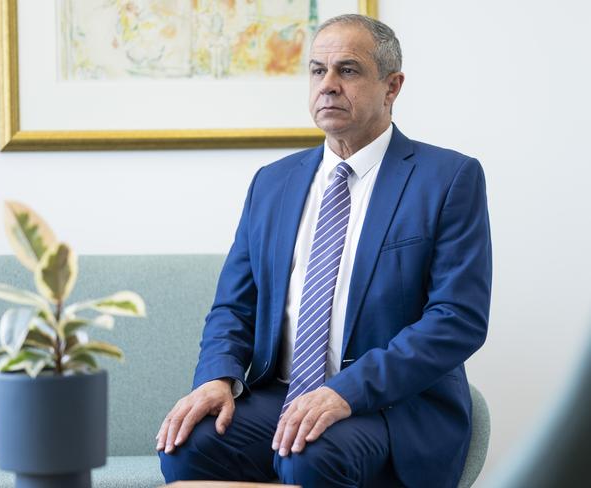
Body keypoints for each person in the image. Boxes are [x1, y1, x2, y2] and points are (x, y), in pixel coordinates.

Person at [156, 14, 492, 488]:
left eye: (348, 71)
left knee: (309, 456)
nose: (328, 85)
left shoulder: (447, 178)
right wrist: (217, 377)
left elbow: (457, 320)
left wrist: (345, 393)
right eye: (317, 71)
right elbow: (235, 306)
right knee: (188, 447)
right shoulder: (272, 183)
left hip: (394, 406)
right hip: (284, 392)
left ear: (391, 87)